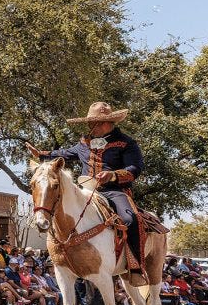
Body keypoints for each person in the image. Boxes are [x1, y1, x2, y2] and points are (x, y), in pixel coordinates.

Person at [26, 102, 146, 269]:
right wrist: (42, 154)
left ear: (105, 123)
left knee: (130, 219)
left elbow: (135, 168)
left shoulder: (126, 143)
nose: (89, 127)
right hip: (85, 190)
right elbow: (65, 154)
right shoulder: (85, 142)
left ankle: (136, 266)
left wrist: (112, 175)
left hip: (114, 191)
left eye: (92, 123)